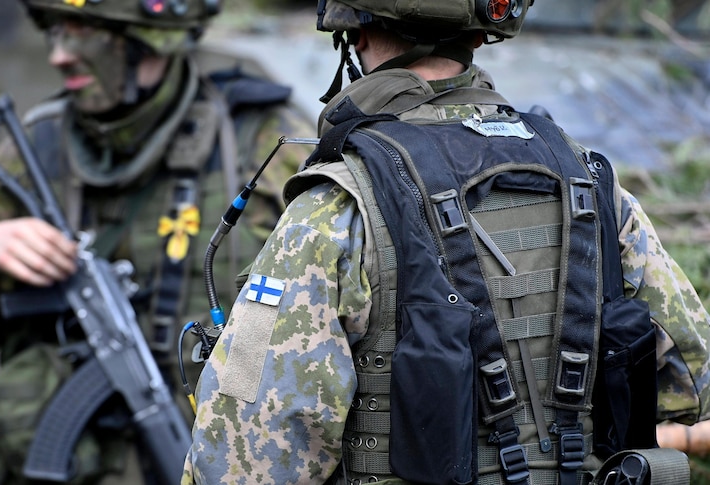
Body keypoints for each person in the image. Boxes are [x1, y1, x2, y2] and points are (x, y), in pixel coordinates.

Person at [183, 1, 710, 483]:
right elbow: (692, 382)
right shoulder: (591, 184)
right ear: (481, 36)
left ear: (357, 30)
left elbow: (243, 461)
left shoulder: (339, 207)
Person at [0, 0, 314, 484]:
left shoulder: (261, 146)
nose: (60, 55)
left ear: (151, 36)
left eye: (84, 30)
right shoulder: (35, 150)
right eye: (55, 31)